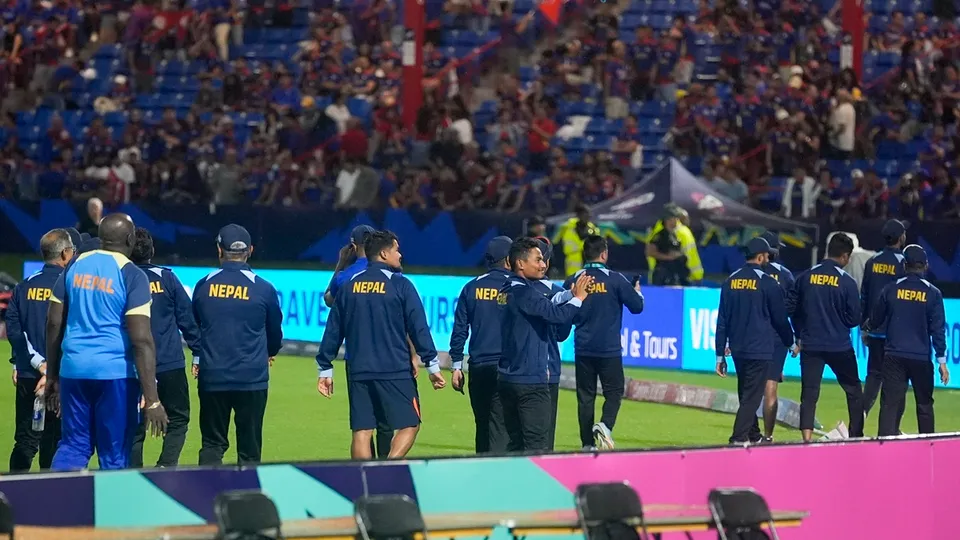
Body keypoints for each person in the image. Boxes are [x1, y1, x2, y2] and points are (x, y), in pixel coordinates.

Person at [45, 213, 169, 471]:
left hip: (73, 369)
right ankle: (111, 510)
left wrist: (53, 376)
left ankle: (57, 505)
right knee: (114, 452)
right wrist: (153, 399)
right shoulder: (132, 274)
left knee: (73, 445)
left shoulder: (75, 265)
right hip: (115, 375)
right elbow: (141, 339)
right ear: (130, 238)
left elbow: (54, 323)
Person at [316, 230, 446, 459]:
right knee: (410, 424)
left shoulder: (349, 286)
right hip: (394, 368)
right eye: (397, 250)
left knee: (362, 431)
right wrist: (432, 366)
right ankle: (388, 467)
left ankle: (364, 481)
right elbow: (418, 328)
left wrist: (325, 367)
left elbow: (334, 329)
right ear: (384, 254)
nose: (400, 255)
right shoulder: (401, 285)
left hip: (358, 369)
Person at [192, 224, 283, 466]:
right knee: (249, 449)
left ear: (219, 250)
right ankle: (248, 499)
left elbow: (196, 324)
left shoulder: (203, 285)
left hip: (213, 377)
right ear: (250, 250)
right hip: (251, 378)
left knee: (212, 444)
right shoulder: (263, 288)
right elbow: (275, 333)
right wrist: (268, 352)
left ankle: (207, 497)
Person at [498, 237, 593, 452]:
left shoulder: (507, 289)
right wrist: (578, 298)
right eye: (538, 259)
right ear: (520, 263)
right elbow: (555, 315)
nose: (543, 264)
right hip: (530, 380)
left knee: (516, 445)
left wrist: (569, 294)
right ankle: (535, 486)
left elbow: (548, 301)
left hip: (508, 377)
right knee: (538, 447)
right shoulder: (524, 292)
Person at [129, 227, 202, 468]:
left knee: (133, 426)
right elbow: (187, 319)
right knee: (179, 419)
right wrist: (198, 353)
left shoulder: (121, 277)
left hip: (132, 364)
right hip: (168, 362)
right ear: (152, 251)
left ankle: (133, 474)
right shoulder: (166, 278)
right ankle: (165, 466)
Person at [563, 235, 645, 451]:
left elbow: (564, 313)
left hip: (583, 347)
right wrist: (637, 291)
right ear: (604, 254)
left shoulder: (573, 279)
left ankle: (587, 445)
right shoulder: (615, 279)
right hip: (608, 349)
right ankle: (605, 425)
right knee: (615, 391)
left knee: (585, 397)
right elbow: (637, 307)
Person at [5, 229, 73, 472]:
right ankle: (50, 500)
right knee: (54, 442)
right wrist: (51, 370)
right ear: (65, 253)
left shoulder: (24, 287)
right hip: (62, 378)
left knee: (25, 440)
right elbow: (71, 332)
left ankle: (12, 497)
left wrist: (36, 365)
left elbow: (15, 332)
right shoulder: (70, 286)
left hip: (28, 376)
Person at [716, 237, 795, 444]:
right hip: (760, 348)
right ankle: (738, 438)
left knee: (745, 393)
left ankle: (754, 436)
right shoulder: (769, 283)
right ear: (760, 257)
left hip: (738, 349)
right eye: (767, 254)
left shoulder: (730, 281)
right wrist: (791, 342)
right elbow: (780, 320)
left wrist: (719, 354)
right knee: (751, 397)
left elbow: (722, 319)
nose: (769, 257)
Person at [788, 232, 865, 442]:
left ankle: (806, 439)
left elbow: (792, 309)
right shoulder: (847, 282)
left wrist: (799, 335)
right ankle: (857, 436)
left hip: (811, 343)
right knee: (854, 392)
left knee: (809, 393)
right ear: (845, 257)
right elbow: (854, 319)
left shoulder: (805, 277)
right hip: (839, 345)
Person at [868, 244, 949, 437]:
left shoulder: (891, 289)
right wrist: (942, 362)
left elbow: (876, 319)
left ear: (904, 264)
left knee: (889, 405)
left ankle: (885, 448)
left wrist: (868, 327)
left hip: (894, 356)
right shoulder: (933, 293)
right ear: (926, 266)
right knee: (924, 405)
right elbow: (938, 330)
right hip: (921, 357)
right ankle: (928, 447)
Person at [449, 236, 513, 453]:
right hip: (506, 366)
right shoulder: (515, 286)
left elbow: (460, 329)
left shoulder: (471, 287)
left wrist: (457, 366)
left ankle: (481, 468)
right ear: (508, 259)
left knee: (482, 424)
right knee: (501, 426)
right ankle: (496, 477)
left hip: (478, 367)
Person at [860, 219, 907, 425]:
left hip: (875, 331)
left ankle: (858, 420)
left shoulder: (873, 261)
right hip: (896, 334)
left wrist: (864, 326)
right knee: (898, 380)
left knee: (873, 376)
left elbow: (865, 295)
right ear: (901, 238)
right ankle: (893, 428)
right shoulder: (905, 263)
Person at [530, 236, 573, 450]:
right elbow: (562, 334)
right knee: (545, 434)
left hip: (515, 370)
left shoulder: (511, 289)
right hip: (549, 368)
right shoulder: (558, 293)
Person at [758, 231, 795, 442]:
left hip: (752, 334)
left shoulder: (748, 274)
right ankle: (768, 435)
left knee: (751, 385)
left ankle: (746, 431)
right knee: (771, 386)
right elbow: (791, 308)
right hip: (776, 337)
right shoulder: (785, 275)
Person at [646, 207, 689, 286]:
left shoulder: (674, 235)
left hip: (675, 272)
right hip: (663, 273)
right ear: (667, 220)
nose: (677, 220)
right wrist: (669, 257)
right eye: (674, 218)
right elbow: (650, 252)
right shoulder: (660, 235)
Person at [554, 205, 600, 277]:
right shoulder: (567, 227)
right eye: (585, 214)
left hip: (589, 262)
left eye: (589, 215)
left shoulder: (593, 229)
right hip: (573, 261)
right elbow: (555, 240)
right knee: (572, 284)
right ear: (578, 215)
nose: (587, 217)